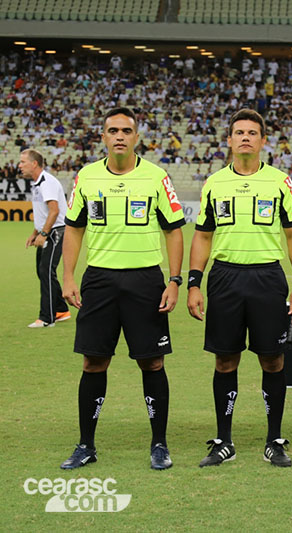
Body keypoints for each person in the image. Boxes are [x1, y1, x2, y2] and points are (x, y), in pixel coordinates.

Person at [60, 107, 185, 470]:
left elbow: (174, 230)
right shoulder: (86, 176)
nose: (119, 136)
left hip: (145, 280)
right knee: (93, 361)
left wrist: (174, 280)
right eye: (112, 130)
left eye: (126, 130)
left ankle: (159, 444)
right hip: (99, 279)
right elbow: (73, 228)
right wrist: (68, 276)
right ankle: (86, 445)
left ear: (136, 137)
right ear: (103, 136)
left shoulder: (156, 177)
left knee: (152, 361)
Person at [187, 109, 292, 468]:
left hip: (268, 278)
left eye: (252, 133)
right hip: (224, 278)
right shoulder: (214, 183)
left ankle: (275, 440)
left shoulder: (280, 182)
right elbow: (203, 236)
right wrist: (194, 282)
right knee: (225, 359)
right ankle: (224, 439)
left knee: (273, 358)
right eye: (238, 132)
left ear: (263, 141)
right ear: (228, 140)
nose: (245, 138)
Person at [19, 148, 70, 328]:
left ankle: (47, 318)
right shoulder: (37, 183)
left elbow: (54, 211)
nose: (20, 166)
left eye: (23, 162)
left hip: (56, 231)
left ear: (34, 164)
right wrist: (35, 233)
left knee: (47, 271)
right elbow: (43, 212)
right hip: (48, 230)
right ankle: (61, 310)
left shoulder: (46, 182)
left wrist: (43, 234)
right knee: (43, 271)